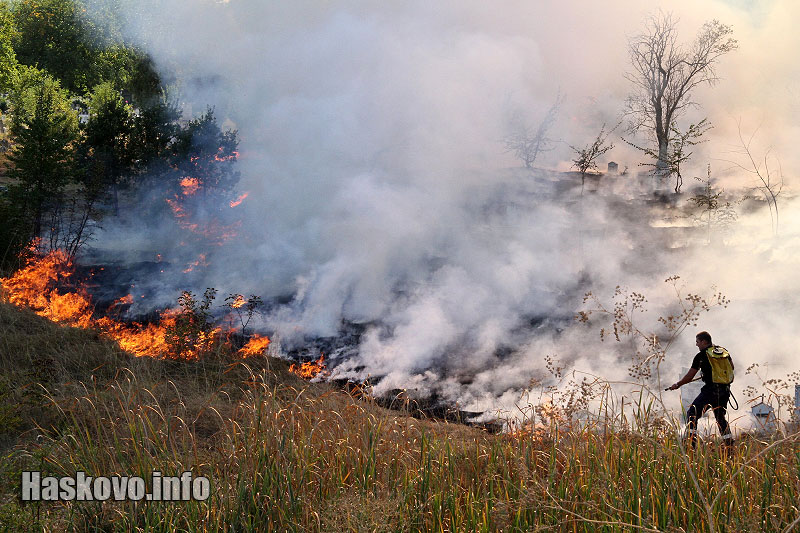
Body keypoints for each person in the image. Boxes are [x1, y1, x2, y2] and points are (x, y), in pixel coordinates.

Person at [667, 331, 734, 447]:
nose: (697, 345)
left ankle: (691, 444)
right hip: (725, 390)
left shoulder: (701, 356)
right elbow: (731, 367)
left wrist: (677, 384)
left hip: (710, 391)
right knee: (720, 418)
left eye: (698, 342)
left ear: (704, 341)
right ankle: (729, 445)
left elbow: (689, 377)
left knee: (692, 413)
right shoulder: (723, 352)